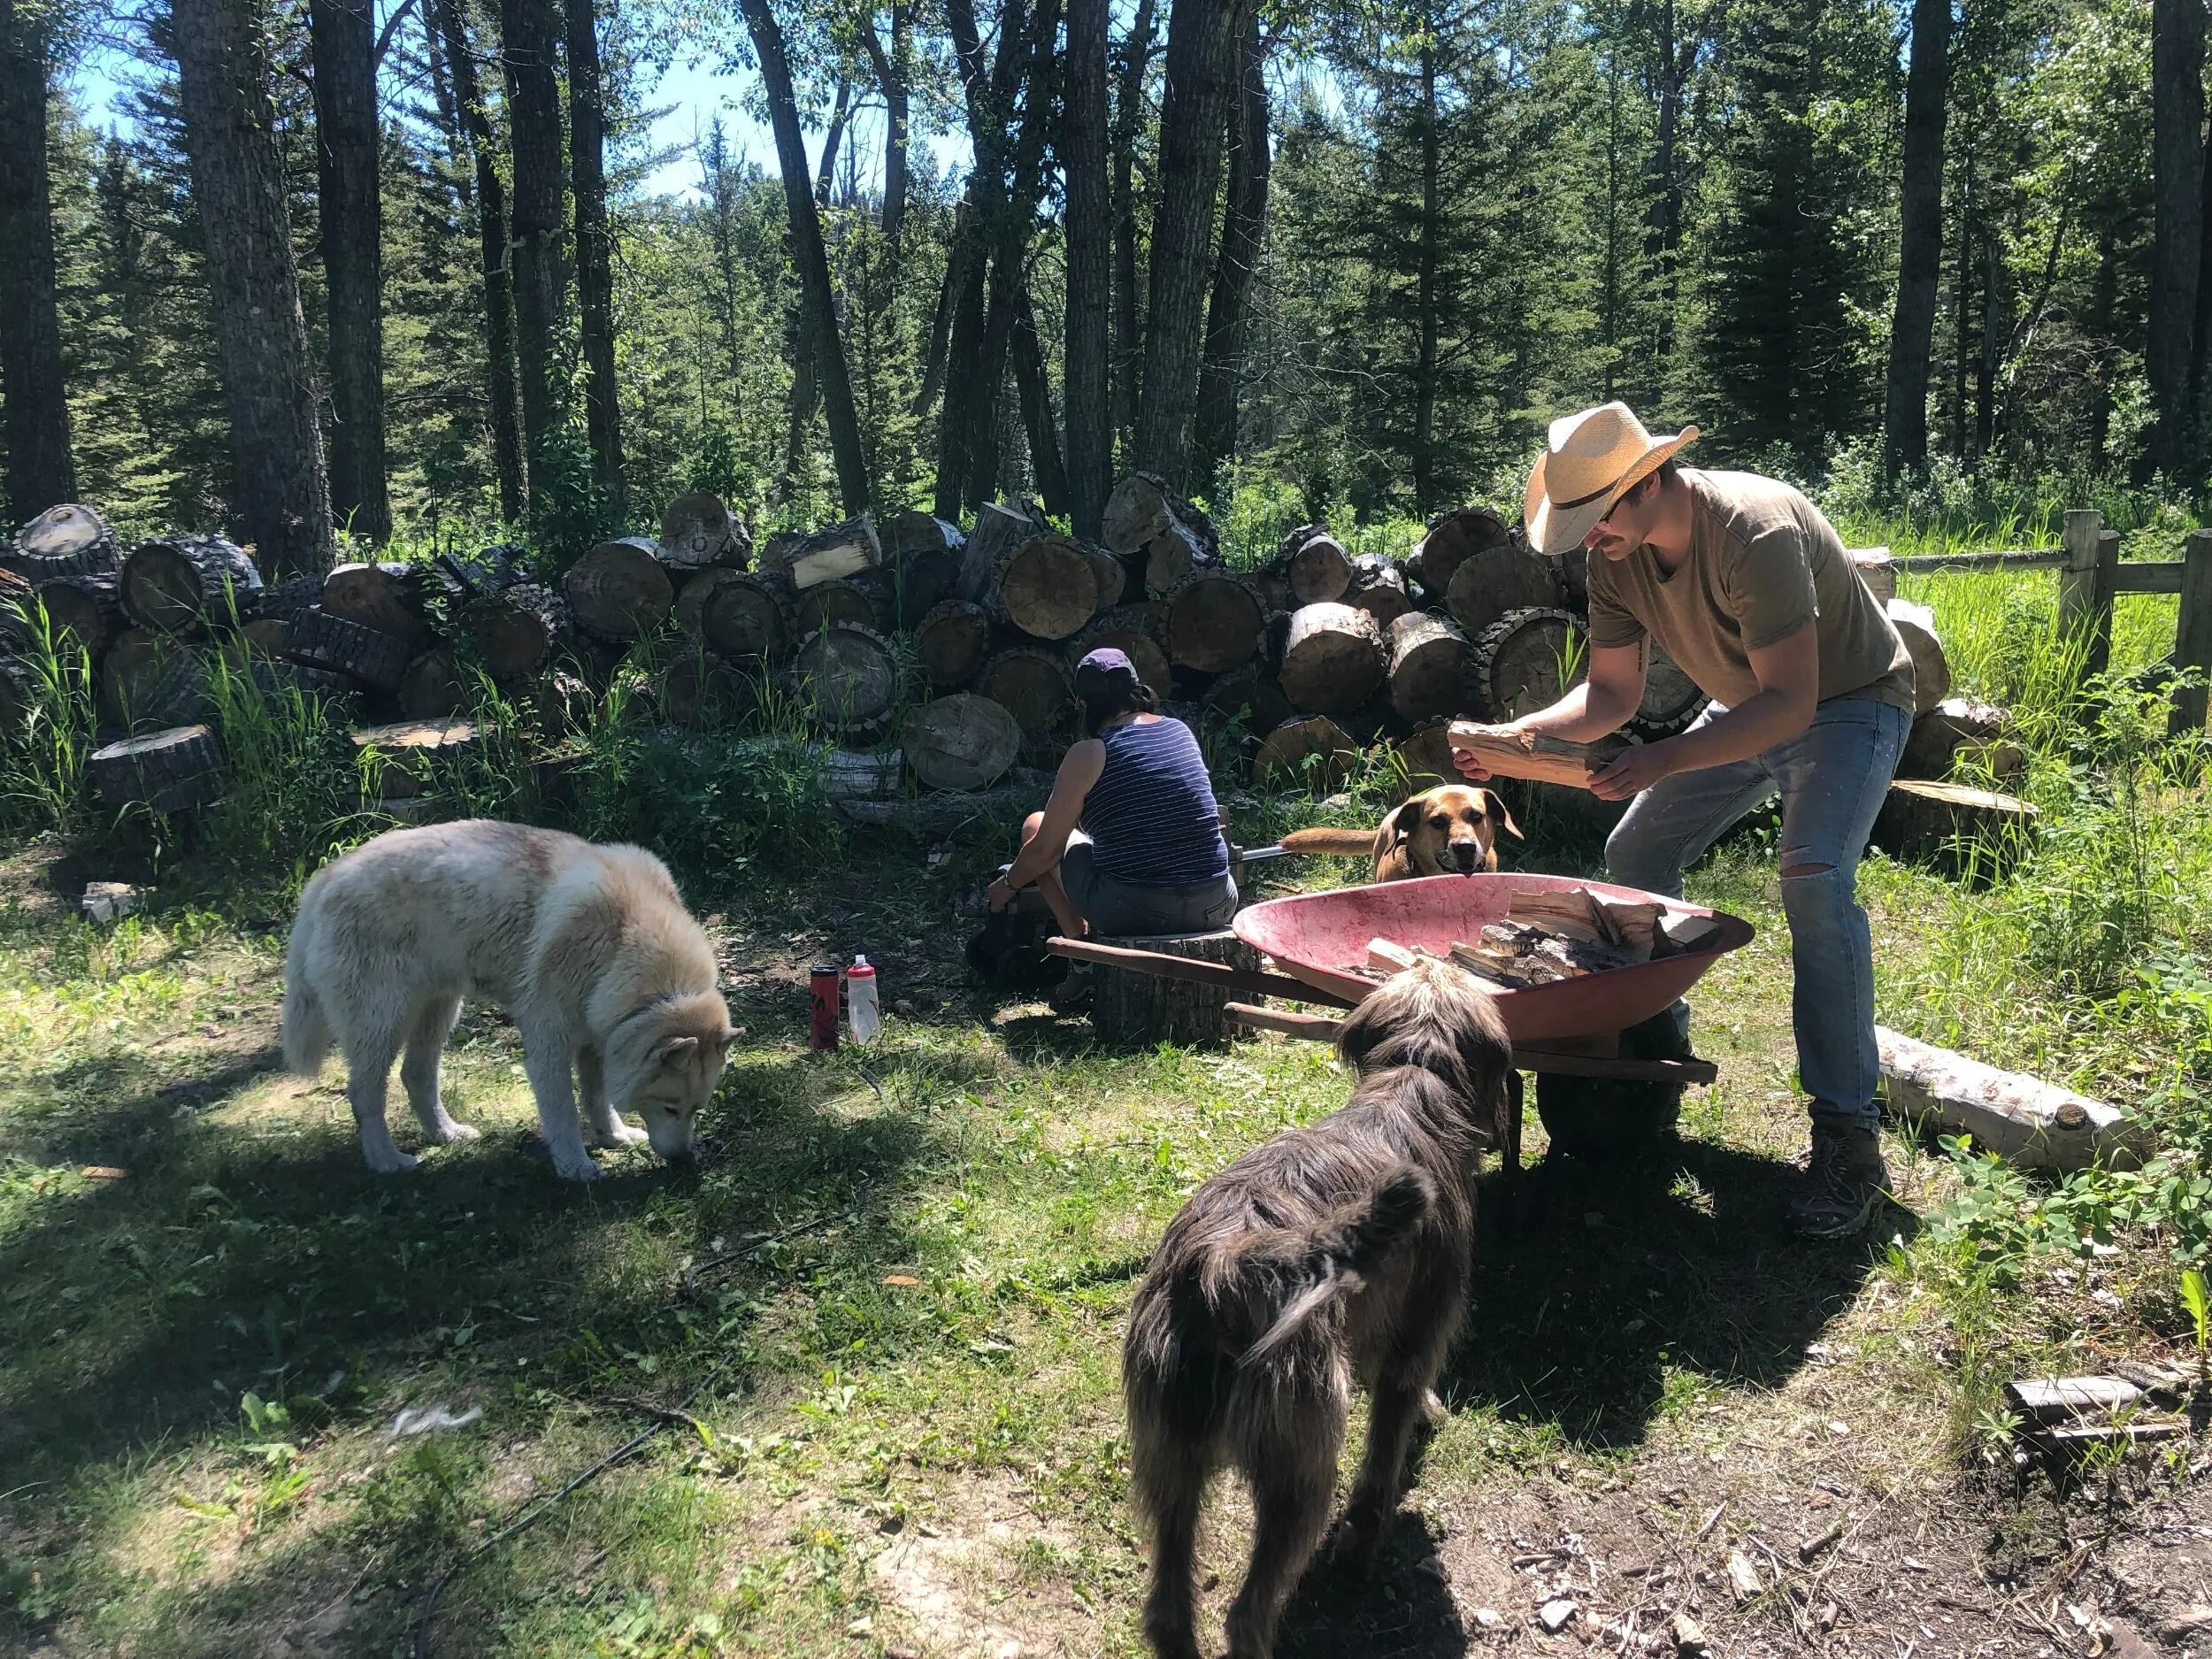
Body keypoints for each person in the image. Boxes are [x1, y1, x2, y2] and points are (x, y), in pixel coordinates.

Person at [1454, 402, 1915, 1238]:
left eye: (1599, 520)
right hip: (1750, 704)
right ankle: (1651, 1064)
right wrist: (1522, 736)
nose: (1592, 540)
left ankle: (1849, 1140)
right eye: (1581, 526)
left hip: (1849, 703)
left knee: (1813, 876)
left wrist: (1662, 759)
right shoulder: (1616, 559)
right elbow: (1611, 696)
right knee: (1636, 848)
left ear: (1651, 478)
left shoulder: (1753, 532)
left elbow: (1794, 702)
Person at [987, 649, 1237, 941]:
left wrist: (1006, 886)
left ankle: (1079, 950)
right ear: (1137, 692)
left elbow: (1045, 850)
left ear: (1083, 705)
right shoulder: (1181, 731)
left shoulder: (1089, 753)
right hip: (1218, 902)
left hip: (1137, 911)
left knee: (1036, 825)